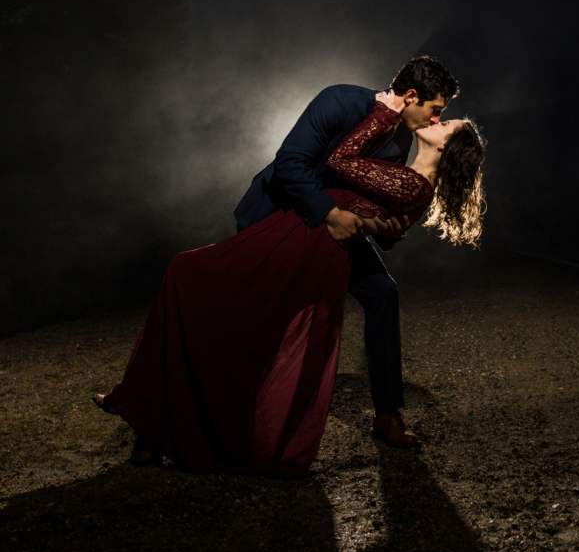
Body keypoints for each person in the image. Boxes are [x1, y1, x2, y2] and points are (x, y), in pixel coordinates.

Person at [94, 57, 486, 477]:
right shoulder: (339, 100)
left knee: (382, 291)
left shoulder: (400, 141)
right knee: (228, 313)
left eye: (441, 116)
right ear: (411, 96)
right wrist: (331, 215)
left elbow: (375, 202)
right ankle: (155, 427)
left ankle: (387, 414)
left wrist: (387, 229)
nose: (435, 117)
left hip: (334, 235)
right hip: (283, 216)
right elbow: (291, 164)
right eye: (435, 109)